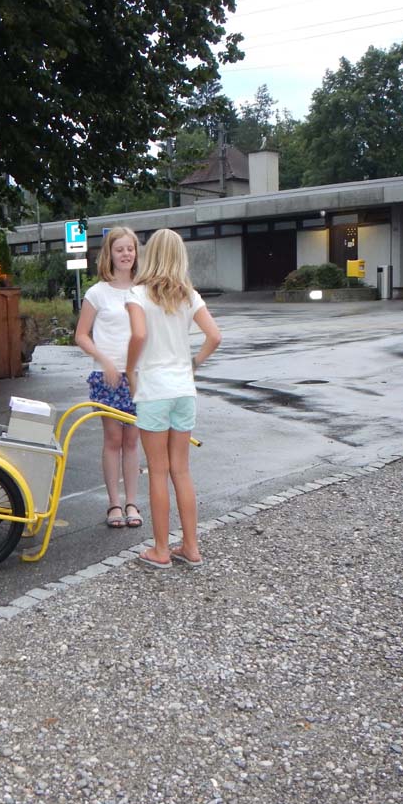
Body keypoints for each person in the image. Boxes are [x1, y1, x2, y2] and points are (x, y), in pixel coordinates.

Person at [124, 228, 222, 569]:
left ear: (150, 254)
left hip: (153, 390)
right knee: (182, 470)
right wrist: (192, 364)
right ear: (180, 256)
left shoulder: (137, 294)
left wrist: (129, 368)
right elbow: (214, 336)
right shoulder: (189, 295)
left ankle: (161, 550)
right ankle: (191, 547)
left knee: (157, 471)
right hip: (183, 390)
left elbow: (138, 334)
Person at [74, 226, 143, 529]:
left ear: (136, 252)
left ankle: (132, 502)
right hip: (107, 375)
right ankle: (113, 503)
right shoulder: (97, 292)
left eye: (130, 249)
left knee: (132, 440)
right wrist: (104, 360)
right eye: (120, 249)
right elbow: (81, 335)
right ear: (109, 254)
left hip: (139, 375)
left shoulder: (144, 288)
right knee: (113, 439)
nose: (126, 254)